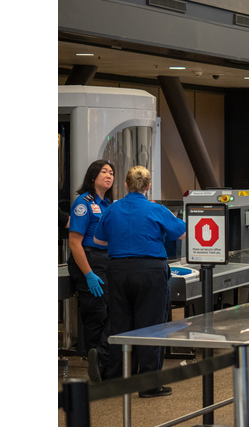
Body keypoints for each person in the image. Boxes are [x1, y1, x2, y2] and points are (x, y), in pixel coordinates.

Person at [93, 166, 186, 398]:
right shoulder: (156, 208)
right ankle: (148, 385)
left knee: (119, 325)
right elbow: (182, 232)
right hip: (150, 271)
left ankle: (117, 381)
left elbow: (98, 239)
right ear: (148, 186)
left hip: (117, 270)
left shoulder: (112, 209)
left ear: (125, 185)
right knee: (151, 326)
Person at [67, 160, 115, 384]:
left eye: (112, 173)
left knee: (109, 311)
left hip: (105, 260)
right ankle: (95, 361)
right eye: (104, 171)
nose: (109, 175)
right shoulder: (83, 203)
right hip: (87, 259)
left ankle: (103, 359)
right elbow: (75, 243)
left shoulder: (108, 204)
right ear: (93, 176)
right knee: (95, 311)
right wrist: (88, 274)